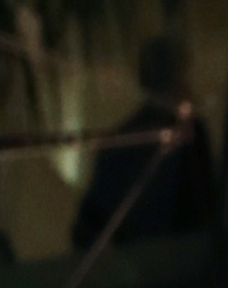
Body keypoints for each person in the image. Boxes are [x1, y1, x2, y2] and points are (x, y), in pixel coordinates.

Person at [73, 32, 218, 254]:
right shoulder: (188, 136)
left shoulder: (117, 144)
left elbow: (87, 232)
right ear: (179, 77)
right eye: (185, 73)